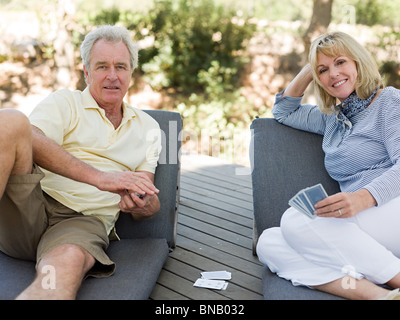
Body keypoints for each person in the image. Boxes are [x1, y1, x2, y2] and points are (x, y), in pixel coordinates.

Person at [0, 25, 162, 299]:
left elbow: (148, 194)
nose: (112, 76)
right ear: (86, 72)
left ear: (131, 73)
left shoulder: (150, 128)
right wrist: (100, 177)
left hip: (81, 224)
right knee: (10, 120)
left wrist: (144, 203)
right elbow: (30, 137)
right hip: (28, 205)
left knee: (67, 262)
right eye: (102, 66)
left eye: (121, 67)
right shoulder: (65, 102)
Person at [256, 31, 400, 300]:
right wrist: (311, 66)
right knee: (269, 242)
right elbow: (283, 111)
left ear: (358, 62)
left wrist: (362, 198)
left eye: (340, 62)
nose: (333, 74)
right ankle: (379, 296)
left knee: (296, 219)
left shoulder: (389, 101)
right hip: (362, 224)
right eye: (324, 70)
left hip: (390, 207)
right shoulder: (331, 119)